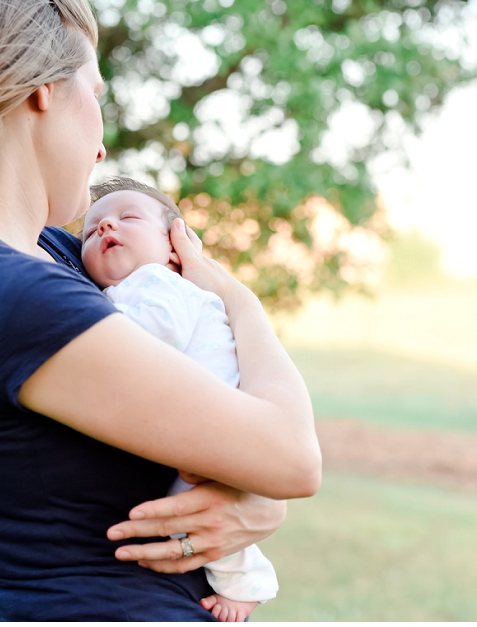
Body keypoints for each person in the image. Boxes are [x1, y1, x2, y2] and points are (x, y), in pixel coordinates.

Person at [0, 0, 321, 622]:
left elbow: (256, 459)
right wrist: (240, 299)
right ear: (40, 90)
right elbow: (291, 455)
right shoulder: (1, 292)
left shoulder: (39, 257)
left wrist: (257, 495)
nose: (103, 145)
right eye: (97, 93)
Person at [82, 177, 279, 622]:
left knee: (200, 506)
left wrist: (96, 323)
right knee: (192, 503)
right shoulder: (123, 291)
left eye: (127, 218)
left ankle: (246, 585)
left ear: (174, 247)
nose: (105, 226)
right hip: (209, 425)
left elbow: (155, 333)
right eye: (91, 230)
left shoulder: (159, 283)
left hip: (220, 426)